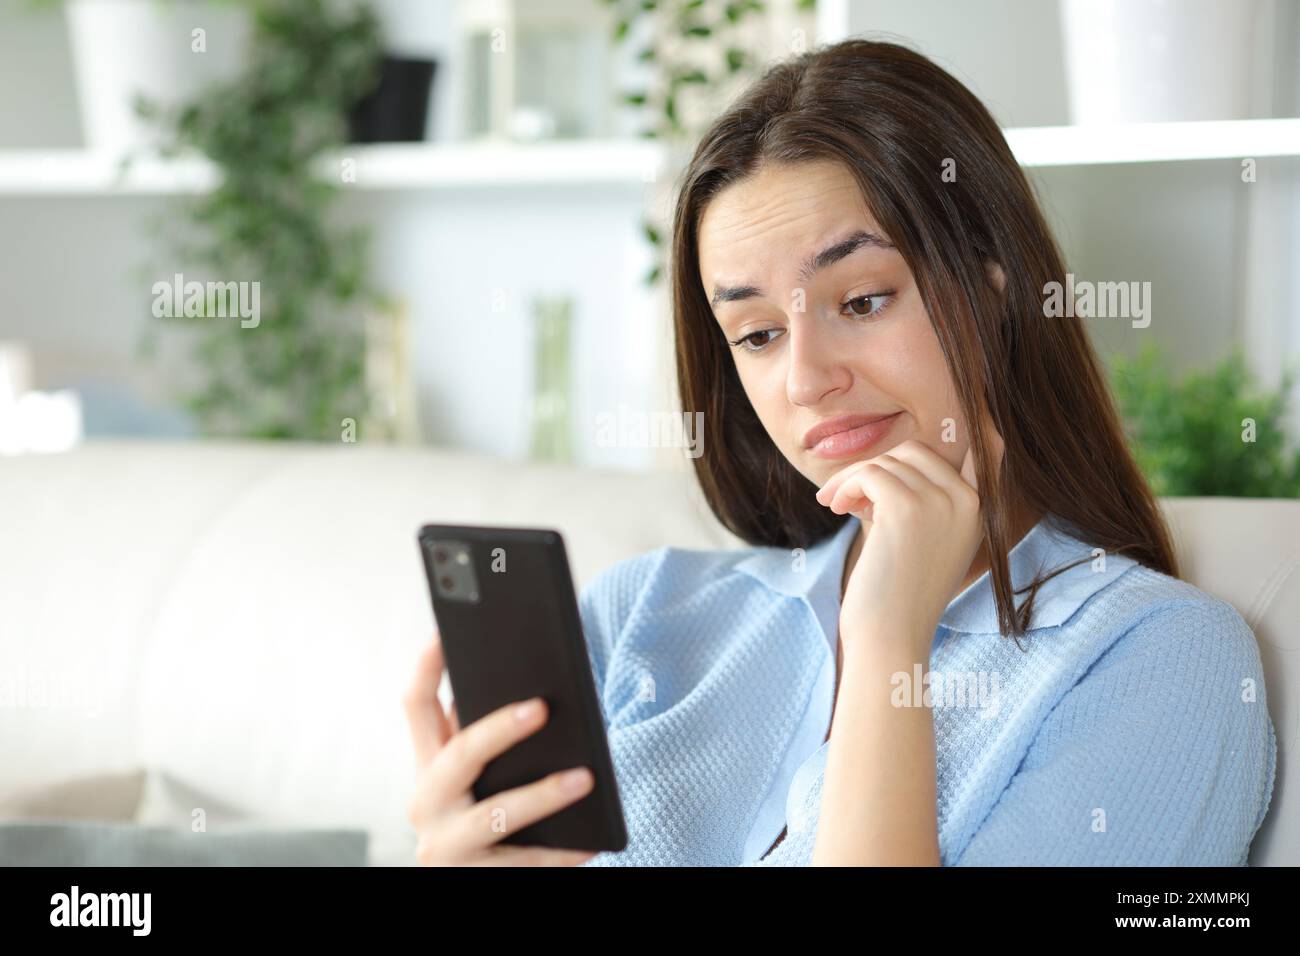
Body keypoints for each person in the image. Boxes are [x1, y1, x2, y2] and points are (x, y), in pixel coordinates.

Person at [403, 38, 1277, 866]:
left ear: (992, 292)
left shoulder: (1163, 660)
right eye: (755, 333)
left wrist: (891, 638)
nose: (805, 379)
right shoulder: (639, 615)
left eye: (860, 300)